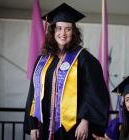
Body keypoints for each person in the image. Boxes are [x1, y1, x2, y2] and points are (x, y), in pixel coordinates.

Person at [23, 3, 109, 140]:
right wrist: (33, 125)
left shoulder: (84, 59)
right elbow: (33, 92)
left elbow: (93, 92)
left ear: (74, 33)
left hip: (73, 128)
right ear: (52, 31)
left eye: (68, 29)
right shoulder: (42, 60)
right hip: (44, 127)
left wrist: (85, 121)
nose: (63, 33)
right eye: (59, 28)